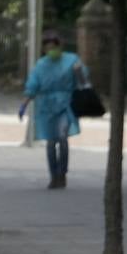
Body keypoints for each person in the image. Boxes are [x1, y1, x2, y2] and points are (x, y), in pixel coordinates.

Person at [20, 30, 85, 189]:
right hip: (47, 107)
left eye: (53, 47)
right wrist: (24, 104)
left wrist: (79, 73)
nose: (51, 51)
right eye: (48, 48)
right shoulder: (41, 65)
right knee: (50, 142)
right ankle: (53, 175)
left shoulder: (72, 61)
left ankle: (62, 174)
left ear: (59, 46)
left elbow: (83, 81)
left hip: (66, 104)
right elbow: (33, 85)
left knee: (62, 138)